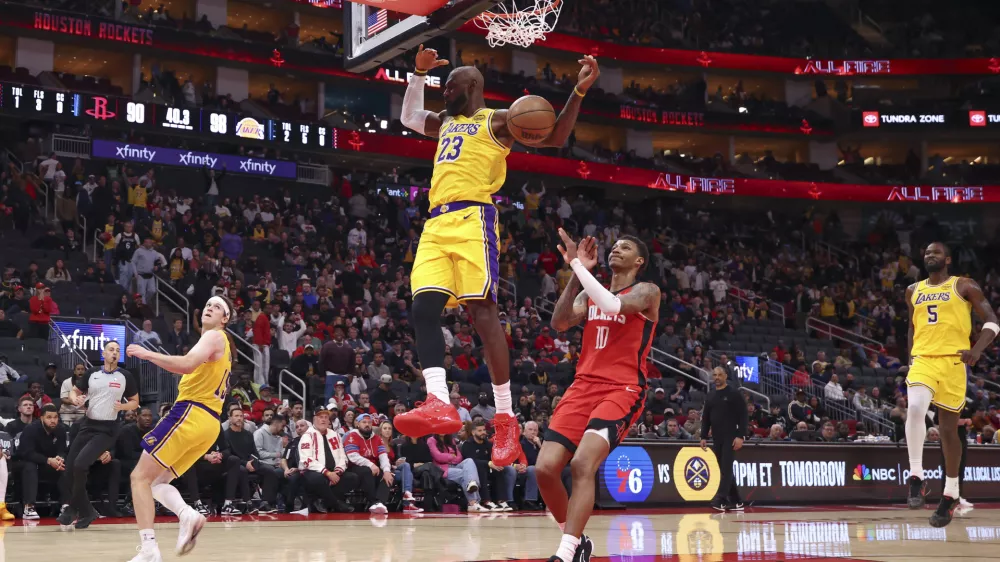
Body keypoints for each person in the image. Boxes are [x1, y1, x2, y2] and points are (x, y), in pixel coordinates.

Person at [394, 44, 600, 470]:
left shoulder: (499, 121)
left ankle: (506, 417)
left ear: (471, 86)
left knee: (482, 313)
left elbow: (557, 136)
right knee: (423, 307)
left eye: (450, 84)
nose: (444, 89)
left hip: (473, 217)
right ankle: (438, 400)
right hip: (435, 223)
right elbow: (410, 118)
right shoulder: (446, 121)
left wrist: (577, 93)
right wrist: (417, 74)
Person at [536, 231, 659, 562]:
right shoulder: (591, 292)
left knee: (581, 463)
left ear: (639, 261)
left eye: (626, 247)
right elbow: (560, 322)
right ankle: (577, 540)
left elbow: (613, 304)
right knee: (545, 470)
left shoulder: (647, 292)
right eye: (615, 245)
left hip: (622, 388)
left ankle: (565, 553)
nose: (617, 249)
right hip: (582, 386)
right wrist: (577, 275)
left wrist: (577, 264)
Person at [124, 295, 235, 561]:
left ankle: (149, 550)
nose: (209, 307)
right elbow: (189, 368)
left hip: (191, 412)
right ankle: (188, 515)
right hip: (209, 424)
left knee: (139, 478)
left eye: (217, 306)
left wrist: (147, 353)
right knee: (157, 482)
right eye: (207, 304)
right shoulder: (220, 347)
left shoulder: (216, 336)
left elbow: (186, 364)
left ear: (225, 319)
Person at [904, 242, 998, 528]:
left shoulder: (964, 285)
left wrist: (978, 349)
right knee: (916, 407)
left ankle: (951, 493)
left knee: (948, 430)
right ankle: (916, 476)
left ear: (947, 259)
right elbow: (912, 327)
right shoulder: (913, 291)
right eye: (926, 252)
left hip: (954, 362)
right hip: (924, 360)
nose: (929, 255)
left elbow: (993, 321)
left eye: (935, 252)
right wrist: (910, 358)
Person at [59, 341, 139, 528]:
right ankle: (87, 512)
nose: (115, 353)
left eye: (118, 351)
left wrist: (124, 406)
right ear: (104, 353)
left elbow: (135, 401)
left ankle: (73, 508)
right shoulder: (92, 373)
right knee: (69, 469)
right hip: (88, 425)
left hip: (108, 429)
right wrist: (75, 399)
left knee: (80, 465)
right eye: (111, 350)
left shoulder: (125, 376)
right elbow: (74, 391)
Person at [700, 366, 748, 511]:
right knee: (723, 468)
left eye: (720, 375)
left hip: (731, 436)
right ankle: (736, 500)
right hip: (716, 437)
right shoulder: (710, 395)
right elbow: (706, 417)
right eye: (714, 375)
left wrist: (741, 436)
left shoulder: (734, 393)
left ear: (726, 376)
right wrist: (703, 436)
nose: (717, 377)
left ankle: (721, 499)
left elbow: (743, 415)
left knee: (726, 468)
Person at [297, 407, 357, 513]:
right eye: (320, 417)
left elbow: (343, 456)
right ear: (314, 419)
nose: (324, 420)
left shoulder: (335, 434)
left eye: (326, 417)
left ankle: (324, 502)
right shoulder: (307, 436)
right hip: (313, 471)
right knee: (318, 479)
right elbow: (306, 460)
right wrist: (328, 473)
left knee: (353, 478)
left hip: (333, 471)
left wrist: (338, 471)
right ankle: (336, 504)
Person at [17, 404, 70, 520]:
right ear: (41, 418)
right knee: (29, 466)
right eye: (49, 417)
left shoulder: (60, 429)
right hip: (26, 464)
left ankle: (66, 505)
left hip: (48, 464)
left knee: (64, 466)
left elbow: (63, 450)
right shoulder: (31, 429)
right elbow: (27, 453)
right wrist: (47, 460)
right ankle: (29, 506)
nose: (53, 420)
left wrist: (60, 458)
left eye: (55, 417)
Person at [343, 413, 392, 514]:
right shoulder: (351, 435)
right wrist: (371, 464)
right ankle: (373, 501)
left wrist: (387, 470)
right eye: (364, 422)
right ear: (357, 424)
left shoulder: (377, 438)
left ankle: (379, 503)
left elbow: (383, 456)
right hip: (355, 466)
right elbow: (353, 456)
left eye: (369, 422)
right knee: (367, 471)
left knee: (388, 476)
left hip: (373, 467)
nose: (367, 424)